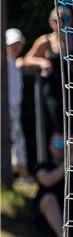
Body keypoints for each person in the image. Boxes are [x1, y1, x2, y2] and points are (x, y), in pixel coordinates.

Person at [21, 7, 73, 134]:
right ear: (51, 23)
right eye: (57, 20)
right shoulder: (45, 41)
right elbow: (25, 60)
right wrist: (42, 61)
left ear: (71, 21)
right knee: (59, 129)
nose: (61, 23)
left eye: (65, 19)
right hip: (54, 92)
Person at [5, 28, 31, 181]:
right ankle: (23, 176)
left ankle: (20, 176)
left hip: (14, 109)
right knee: (18, 142)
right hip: (6, 109)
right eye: (13, 44)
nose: (16, 47)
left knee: (17, 142)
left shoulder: (16, 63)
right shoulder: (5, 62)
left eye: (19, 43)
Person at [33, 132, 66, 237]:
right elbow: (47, 181)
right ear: (50, 146)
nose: (59, 148)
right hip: (45, 217)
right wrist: (69, 161)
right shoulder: (42, 165)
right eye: (57, 143)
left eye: (63, 144)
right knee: (49, 199)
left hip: (68, 215)